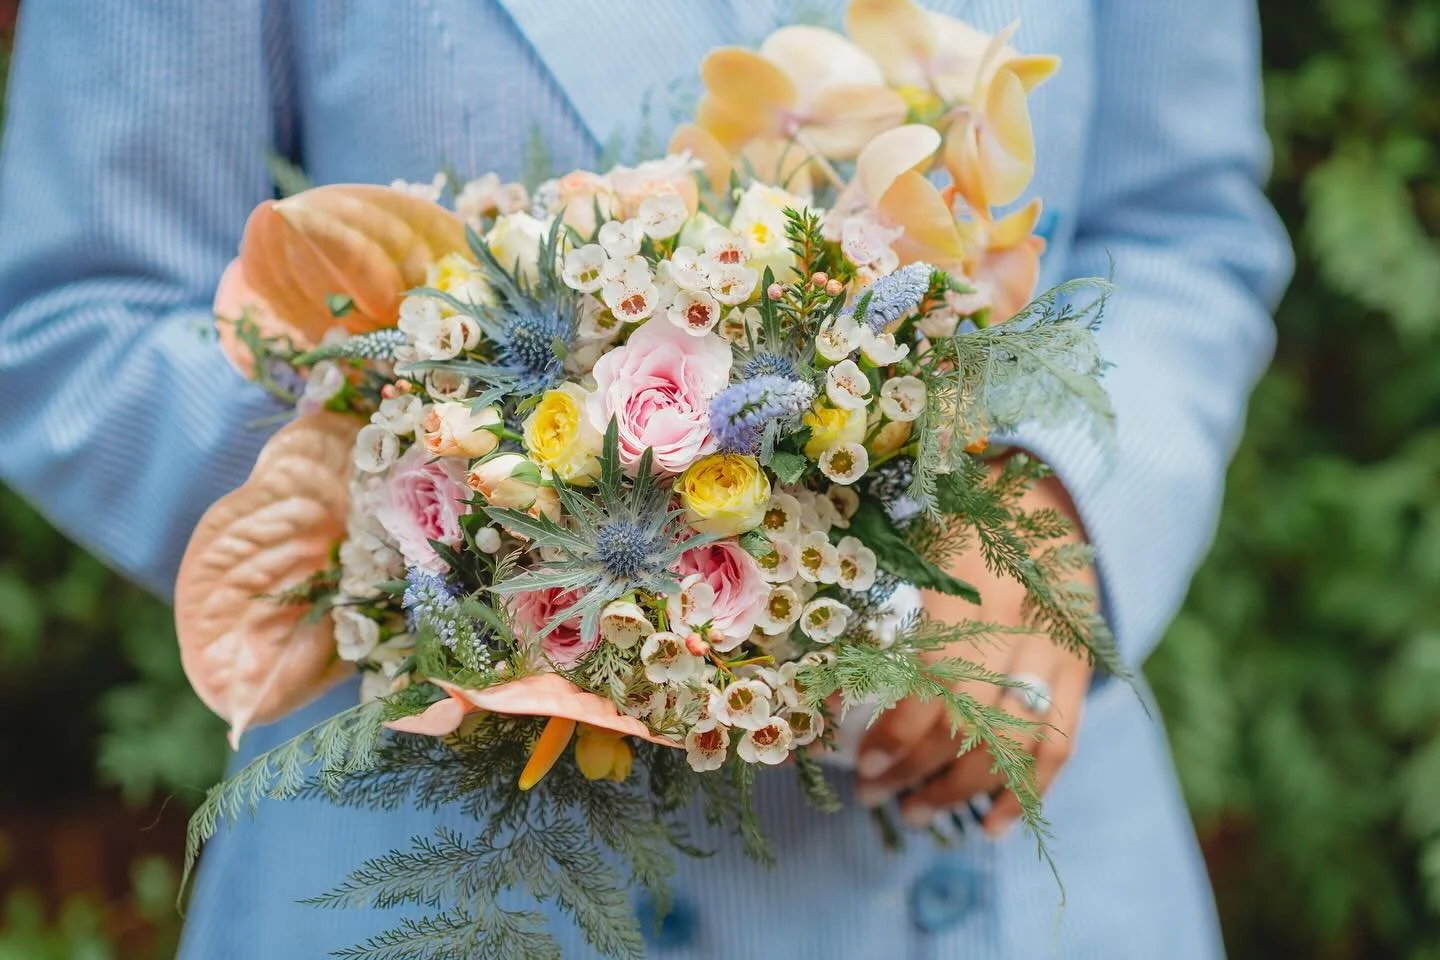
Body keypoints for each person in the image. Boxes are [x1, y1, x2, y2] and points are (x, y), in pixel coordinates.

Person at [0, 1, 1292, 956]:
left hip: (1013, 879)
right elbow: (84, 312)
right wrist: (487, 537)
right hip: (467, 882)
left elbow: (1178, 228)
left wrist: (1057, 513)